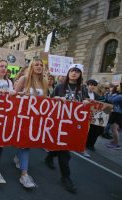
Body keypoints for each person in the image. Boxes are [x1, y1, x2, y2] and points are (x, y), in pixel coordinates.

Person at [45, 64, 89, 193]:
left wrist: (86, 102)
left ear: (80, 74)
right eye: (72, 71)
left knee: (61, 147)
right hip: (59, 123)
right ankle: (66, 177)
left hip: (73, 125)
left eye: (77, 71)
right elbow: (49, 102)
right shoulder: (59, 87)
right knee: (65, 152)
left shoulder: (83, 88)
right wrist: (56, 98)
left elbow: (86, 102)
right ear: (68, 72)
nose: (74, 73)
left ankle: (49, 157)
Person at [14, 58, 48, 188]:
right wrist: (23, 94)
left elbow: (46, 100)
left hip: (35, 119)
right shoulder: (24, 79)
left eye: (41, 65)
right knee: (25, 145)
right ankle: (24, 175)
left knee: (25, 143)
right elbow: (14, 96)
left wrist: (56, 99)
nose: (39, 67)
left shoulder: (44, 82)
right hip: (22, 117)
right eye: (36, 65)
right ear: (31, 67)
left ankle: (18, 157)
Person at [85, 79, 104, 153]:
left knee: (94, 130)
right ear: (87, 85)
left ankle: (89, 144)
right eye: (91, 85)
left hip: (93, 115)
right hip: (84, 115)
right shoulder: (83, 93)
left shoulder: (96, 95)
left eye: (94, 85)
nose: (92, 86)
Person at [105, 84, 122, 150]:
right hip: (116, 113)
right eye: (117, 87)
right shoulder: (118, 95)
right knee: (113, 129)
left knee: (114, 129)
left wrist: (109, 94)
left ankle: (116, 144)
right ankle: (114, 142)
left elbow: (111, 100)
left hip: (117, 113)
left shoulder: (120, 96)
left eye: (119, 87)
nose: (117, 88)